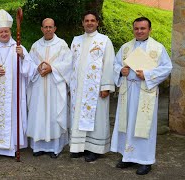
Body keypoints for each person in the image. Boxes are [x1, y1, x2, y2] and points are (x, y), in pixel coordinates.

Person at [110, 17, 172, 175]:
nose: (139, 31)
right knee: (127, 124)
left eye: (143, 28)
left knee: (144, 126)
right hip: (128, 89)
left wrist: (148, 74)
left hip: (145, 91)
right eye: (136, 28)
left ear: (149, 30)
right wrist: (120, 71)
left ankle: (145, 160)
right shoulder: (125, 47)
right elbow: (115, 64)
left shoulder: (158, 48)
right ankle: (127, 156)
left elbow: (167, 67)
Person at [0, 9, 32, 159]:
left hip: (13, 94)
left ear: (10, 31)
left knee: (12, 117)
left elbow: (29, 69)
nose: (4, 34)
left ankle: (12, 147)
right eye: (1, 32)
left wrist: (22, 57)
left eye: (7, 31)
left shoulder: (18, 48)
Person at [69, 11, 115, 162]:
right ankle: (78, 147)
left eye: (92, 20)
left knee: (96, 118)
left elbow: (109, 64)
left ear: (97, 23)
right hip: (78, 87)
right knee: (77, 117)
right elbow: (71, 64)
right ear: (82, 23)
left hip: (96, 88)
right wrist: (70, 85)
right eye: (86, 20)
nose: (89, 23)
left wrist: (106, 86)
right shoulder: (76, 40)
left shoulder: (104, 41)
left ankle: (94, 149)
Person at [26, 18, 72, 158]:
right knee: (39, 114)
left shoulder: (62, 45)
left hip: (55, 87)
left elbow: (69, 64)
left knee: (54, 115)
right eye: (45, 27)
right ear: (41, 29)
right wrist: (37, 68)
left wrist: (53, 68)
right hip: (39, 87)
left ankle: (54, 148)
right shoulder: (35, 46)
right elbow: (29, 64)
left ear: (55, 28)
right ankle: (38, 147)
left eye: (50, 27)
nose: (48, 29)